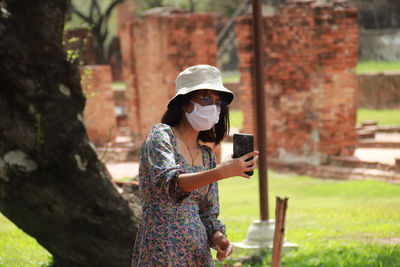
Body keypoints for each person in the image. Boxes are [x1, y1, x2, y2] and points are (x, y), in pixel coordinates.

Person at [132, 65, 259, 266]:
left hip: (197, 254)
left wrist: (219, 238)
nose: (213, 107)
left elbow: (208, 213)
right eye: (206, 98)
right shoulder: (162, 136)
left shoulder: (207, 156)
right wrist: (222, 171)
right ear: (184, 103)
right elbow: (172, 184)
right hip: (162, 251)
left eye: (219, 103)